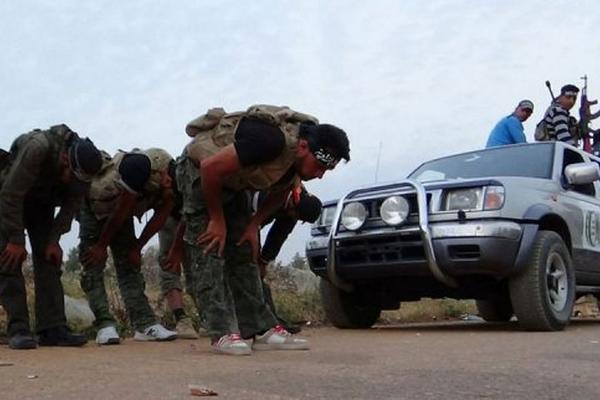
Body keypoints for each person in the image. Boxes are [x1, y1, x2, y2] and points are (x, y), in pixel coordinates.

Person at [175, 104, 350, 355]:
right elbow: (210, 168)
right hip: (201, 172)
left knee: (243, 249)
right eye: (320, 167)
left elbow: (283, 189)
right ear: (302, 147)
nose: (320, 176)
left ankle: (261, 329)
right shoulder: (270, 141)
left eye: (327, 170)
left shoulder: (297, 162)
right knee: (211, 244)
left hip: (234, 183)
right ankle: (221, 331)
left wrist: (254, 225)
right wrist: (217, 219)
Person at [0, 124, 102, 350]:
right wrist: (16, 239)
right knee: (9, 257)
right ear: (65, 158)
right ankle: (19, 329)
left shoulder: (82, 171)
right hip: (8, 197)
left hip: (40, 202)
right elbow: (10, 194)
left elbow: (70, 206)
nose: (74, 183)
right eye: (72, 176)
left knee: (49, 258)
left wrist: (55, 239)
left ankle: (52, 328)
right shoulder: (38, 148)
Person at [79, 148, 178, 345]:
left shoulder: (172, 182)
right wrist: (100, 246)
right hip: (95, 209)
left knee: (130, 266)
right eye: (166, 175)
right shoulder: (138, 169)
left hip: (122, 214)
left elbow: (160, 218)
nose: (169, 182)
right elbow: (118, 214)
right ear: (157, 169)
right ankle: (104, 325)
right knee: (92, 263)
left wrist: (137, 247)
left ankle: (145, 324)